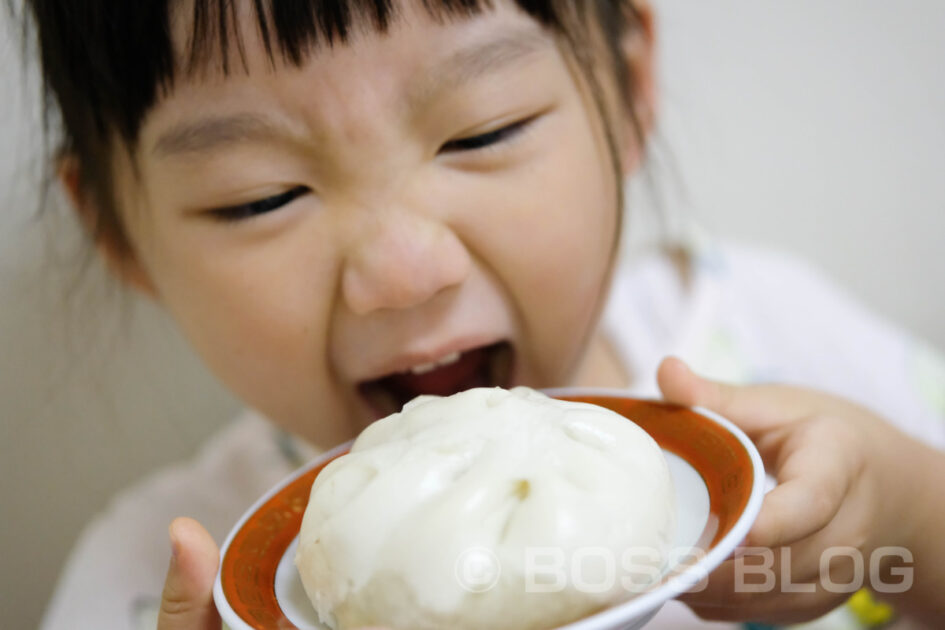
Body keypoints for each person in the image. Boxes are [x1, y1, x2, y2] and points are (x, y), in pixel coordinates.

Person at [23, 1, 944, 629]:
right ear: (122, 237)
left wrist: (904, 515)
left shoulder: (778, 345)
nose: (400, 272)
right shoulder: (154, 574)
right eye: (259, 197)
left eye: (481, 133)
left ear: (624, 86)